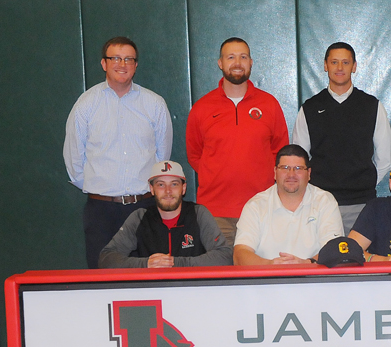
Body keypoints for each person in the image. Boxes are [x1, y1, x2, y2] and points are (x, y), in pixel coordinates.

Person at [64, 36, 173, 269]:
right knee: (102, 277)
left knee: (149, 276)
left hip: (144, 208)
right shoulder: (86, 104)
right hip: (101, 212)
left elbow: (162, 158)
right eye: (115, 58)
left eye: (128, 59)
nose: (122, 64)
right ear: (104, 63)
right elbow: (74, 160)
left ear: (136, 65)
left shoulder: (154, 104)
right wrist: (101, 188)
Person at [186, 37, 289, 264]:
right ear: (220, 63)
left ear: (251, 62)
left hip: (262, 209)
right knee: (218, 278)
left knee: (261, 276)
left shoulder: (269, 104)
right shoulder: (202, 108)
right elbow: (194, 154)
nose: (237, 63)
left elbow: (280, 153)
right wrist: (217, 174)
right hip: (215, 213)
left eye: (243, 57)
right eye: (230, 57)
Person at [292, 42, 391, 234]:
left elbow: (385, 158)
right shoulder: (310, 108)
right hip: (320, 203)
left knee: (359, 253)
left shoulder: (371, 106)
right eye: (334, 62)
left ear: (354, 66)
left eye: (345, 62)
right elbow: (299, 159)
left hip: (362, 205)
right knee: (322, 253)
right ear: (325, 65)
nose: (339, 68)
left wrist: (363, 183)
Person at [98, 161, 230, 268]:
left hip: (190, 288)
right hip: (152, 289)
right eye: (161, 185)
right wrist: (145, 264)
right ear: (152, 189)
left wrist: (175, 263)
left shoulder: (198, 213)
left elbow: (224, 256)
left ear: (183, 188)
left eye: (174, 184)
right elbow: (106, 259)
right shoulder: (140, 217)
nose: (168, 191)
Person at [233, 145, 344, 265]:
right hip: (267, 275)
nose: (291, 174)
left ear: (309, 173)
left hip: (312, 275)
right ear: (275, 172)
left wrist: (306, 264)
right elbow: (240, 254)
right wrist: (270, 265)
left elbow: (335, 250)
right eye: (285, 168)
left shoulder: (325, 202)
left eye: (298, 168)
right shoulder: (256, 205)